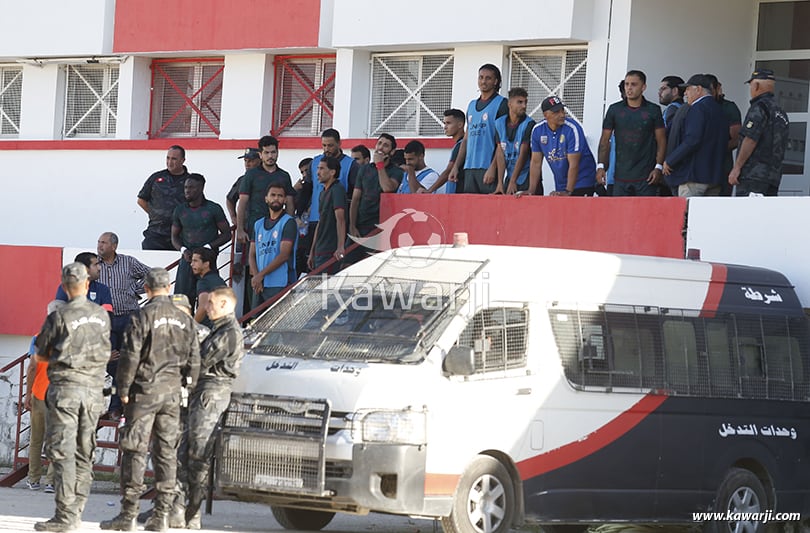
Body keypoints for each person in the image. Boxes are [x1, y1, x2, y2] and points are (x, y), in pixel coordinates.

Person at [100, 268, 200, 533]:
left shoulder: (142, 316)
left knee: (135, 449)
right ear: (168, 288)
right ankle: (162, 515)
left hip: (144, 393)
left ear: (146, 289)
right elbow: (195, 359)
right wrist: (188, 385)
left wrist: (122, 389)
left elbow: (130, 355)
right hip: (173, 394)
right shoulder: (185, 319)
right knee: (166, 452)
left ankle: (128, 514)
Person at [34, 263, 111, 532]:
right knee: (83, 451)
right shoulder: (102, 316)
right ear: (87, 284)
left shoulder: (59, 315)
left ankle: (65, 517)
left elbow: (40, 354)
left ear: (65, 286)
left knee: (63, 452)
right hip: (92, 392)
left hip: (66, 391)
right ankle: (77, 510)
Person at [182, 287, 245, 529]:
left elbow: (200, 360)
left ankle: (192, 511)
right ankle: (181, 508)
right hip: (204, 391)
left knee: (199, 452)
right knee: (187, 449)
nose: (206, 308)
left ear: (224, 305)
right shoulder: (219, 330)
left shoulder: (227, 332)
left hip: (212, 392)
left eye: (210, 304)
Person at [97, 232, 151, 421]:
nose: (100, 245)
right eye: (99, 242)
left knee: (129, 360)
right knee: (112, 363)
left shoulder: (128, 262)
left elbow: (150, 274)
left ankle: (117, 407)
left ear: (114, 246)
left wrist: (134, 289)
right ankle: (119, 403)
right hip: (107, 321)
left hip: (129, 316)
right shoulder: (95, 265)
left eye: (103, 242)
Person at [597, 70, 666, 197]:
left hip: (647, 177)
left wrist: (658, 167)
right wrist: (600, 166)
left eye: (634, 84)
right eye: (627, 84)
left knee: (645, 215)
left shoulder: (653, 110)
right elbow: (604, 141)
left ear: (643, 87)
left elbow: (661, 141)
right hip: (620, 177)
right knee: (620, 215)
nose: (629, 88)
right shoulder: (614, 110)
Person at [662, 74, 729, 197]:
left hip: (694, 176)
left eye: (688, 89)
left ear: (698, 89)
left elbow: (692, 140)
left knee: (688, 214)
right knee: (706, 216)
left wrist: (670, 161)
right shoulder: (719, 109)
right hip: (715, 176)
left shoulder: (697, 108)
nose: (685, 93)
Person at [171, 173, 231, 306]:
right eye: (186, 187)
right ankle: (183, 326)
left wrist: (208, 248)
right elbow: (174, 236)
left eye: (191, 187)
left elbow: (227, 234)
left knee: (209, 301)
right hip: (187, 261)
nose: (187, 190)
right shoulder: (180, 210)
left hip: (207, 262)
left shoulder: (213, 209)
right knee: (182, 302)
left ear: (201, 188)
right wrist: (183, 250)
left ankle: (204, 326)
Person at [729, 69, 789, 196]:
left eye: (751, 85)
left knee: (749, 213)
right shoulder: (780, 111)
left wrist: (737, 167)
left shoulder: (759, 107)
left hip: (753, 175)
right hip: (773, 177)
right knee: (766, 214)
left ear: (755, 85)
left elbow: (750, 139)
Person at [449, 64, 508, 194]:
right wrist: (456, 167)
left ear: (495, 81)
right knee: (472, 209)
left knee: (489, 210)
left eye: (488, 78)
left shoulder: (502, 104)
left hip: (487, 167)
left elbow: (502, 142)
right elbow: (465, 140)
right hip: (470, 167)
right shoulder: (471, 105)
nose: (483, 81)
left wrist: (493, 168)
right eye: (481, 77)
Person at [528, 96, 597, 196]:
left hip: (582, 180)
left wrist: (568, 192)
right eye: (556, 112)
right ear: (546, 115)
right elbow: (535, 162)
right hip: (561, 184)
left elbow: (574, 164)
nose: (562, 114)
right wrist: (531, 191)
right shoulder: (537, 130)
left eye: (562, 110)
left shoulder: (572, 128)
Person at [236, 136, 295, 245]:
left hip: (278, 226)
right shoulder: (251, 174)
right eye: (266, 153)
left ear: (278, 153)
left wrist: (289, 226)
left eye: (273, 152)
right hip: (255, 226)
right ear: (260, 154)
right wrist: (240, 229)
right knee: (254, 259)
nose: (270, 156)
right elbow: (242, 202)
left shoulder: (284, 176)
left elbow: (290, 203)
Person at [248, 183, 298, 309]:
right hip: (260, 283)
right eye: (273, 195)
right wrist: (256, 276)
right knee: (256, 321)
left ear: (285, 200)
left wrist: (260, 275)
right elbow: (252, 254)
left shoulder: (288, 222)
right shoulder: (258, 224)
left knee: (277, 323)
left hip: (280, 282)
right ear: (266, 198)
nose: (276, 198)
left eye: (280, 196)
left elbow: (284, 255)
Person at [308, 129, 360, 238]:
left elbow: (356, 195)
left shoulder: (351, 165)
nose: (327, 149)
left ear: (339, 143)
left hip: (335, 221)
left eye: (330, 145)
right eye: (324, 145)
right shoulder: (314, 163)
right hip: (315, 218)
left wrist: (352, 223)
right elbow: (307, 189)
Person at [349, 134, 402, 238]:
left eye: (386, 145)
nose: (381, 147)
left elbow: (387, 188)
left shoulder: (397, 171)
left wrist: (380, 165)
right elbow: (355, 199)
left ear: (392, 151)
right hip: (361, 224)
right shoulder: (364, 169)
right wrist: (352, 225)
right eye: (379, 143)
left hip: (382, 226)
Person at [137, 146, 190, 250]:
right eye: (168, 158)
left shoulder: (190, 181)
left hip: (180, 235)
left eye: (174, 159)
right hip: (156, 233)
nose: (170, 162)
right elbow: (141, 200)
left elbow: (196, 204)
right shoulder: (156, 178)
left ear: (183, 160)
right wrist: (155, 214)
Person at [25, 322, 56, 494]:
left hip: (40, 393)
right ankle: (51, 482)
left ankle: (33, 479)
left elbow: (31, 368)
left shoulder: (38, 338)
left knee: (36, 440)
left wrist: (27, 394)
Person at [706, 74, 743, 196]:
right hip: (699, 168)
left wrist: (712, 150)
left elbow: (736, 138)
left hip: (722, 166)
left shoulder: (728, 107)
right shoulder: (694, 107)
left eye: (710, 89)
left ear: (718, 88)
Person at [308, 156, 347, 274]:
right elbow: (320, 222)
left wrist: (340, 246)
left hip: (330, 250)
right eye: (317, 168)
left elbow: (340, 219)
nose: (317, 172)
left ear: (332, 172)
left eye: (321, 168)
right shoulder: (323, 192)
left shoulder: (337, 190)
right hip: (320, 249)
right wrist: (312, 251)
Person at [493, 87, 535, 195]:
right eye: (520, 102)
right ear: (510, 104)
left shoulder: (529, 124)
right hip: (510, 175)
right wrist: (500, 183)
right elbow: (500, 153)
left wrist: (513, 181)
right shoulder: (499, 123)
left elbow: (523, 153)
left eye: (525, 102)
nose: (524, 106)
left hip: (527, 177)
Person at [428, 109, 466, 194]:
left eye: (448, 123)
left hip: (458, 191)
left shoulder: (461, 145)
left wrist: (429, 190)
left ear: (460, 125)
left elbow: (448, 171)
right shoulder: (459, 144)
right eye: (444, 123)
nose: (445, 127)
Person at [189, 247, 227, 327]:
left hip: (208, 329)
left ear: (206, 264)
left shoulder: (203, 282)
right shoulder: (219, 280)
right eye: (192, 261)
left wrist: (192, 327)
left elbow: (203, 306)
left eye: (195, 261)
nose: (191, 264)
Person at [226, 147, 262, 226]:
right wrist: (233, 217)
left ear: (260, 161)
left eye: (251, 161)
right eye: (245, 161)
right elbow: (230, 199)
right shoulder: (242, 180)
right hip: (246, 226)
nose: (247, 164)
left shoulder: (268, 178)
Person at [293, 157, 314, 276]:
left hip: (313, 232)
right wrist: (294, 189)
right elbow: (289, 205)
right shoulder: (301, 189)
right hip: (300, 233)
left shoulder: (318, 187)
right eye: (302, 172)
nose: (305, 175)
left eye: (307, 171)